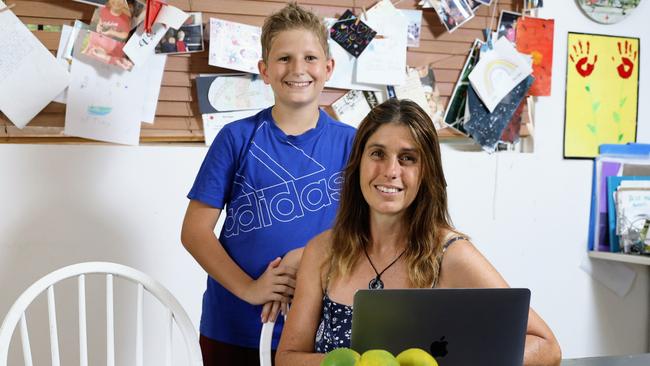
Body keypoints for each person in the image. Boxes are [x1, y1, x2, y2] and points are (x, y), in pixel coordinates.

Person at [276, 99, 562, 366]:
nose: (390, 171)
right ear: (358, 164)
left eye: (407, 158)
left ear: (426, 172)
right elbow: (287, 357)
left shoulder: (451, 255)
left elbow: (547, 347)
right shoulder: (322, 251)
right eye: (377, 153)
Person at [180, 2, 355, 365]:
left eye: (310, 58)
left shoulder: (353, 144)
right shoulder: (236, 138)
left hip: (319, 328)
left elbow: (372, 229)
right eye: (284, 58)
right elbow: (194, 232)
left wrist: (307, 255)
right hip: (233, 327)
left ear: (328, 68)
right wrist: (250, 289)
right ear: (264, 70)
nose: (297, 69)